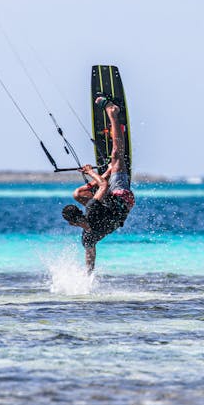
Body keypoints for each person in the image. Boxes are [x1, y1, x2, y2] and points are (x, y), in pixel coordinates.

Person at [62, 95, 135, 273]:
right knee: (117, 154)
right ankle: (113, 113)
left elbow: (90, 258)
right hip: (122, 197)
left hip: (116, 210)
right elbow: (102, 185)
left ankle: (111, 168)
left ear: (72, 224)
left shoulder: (87, 238)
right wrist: (90, 172)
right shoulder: (92, 208)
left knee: (78, 194)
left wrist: (87, 279)